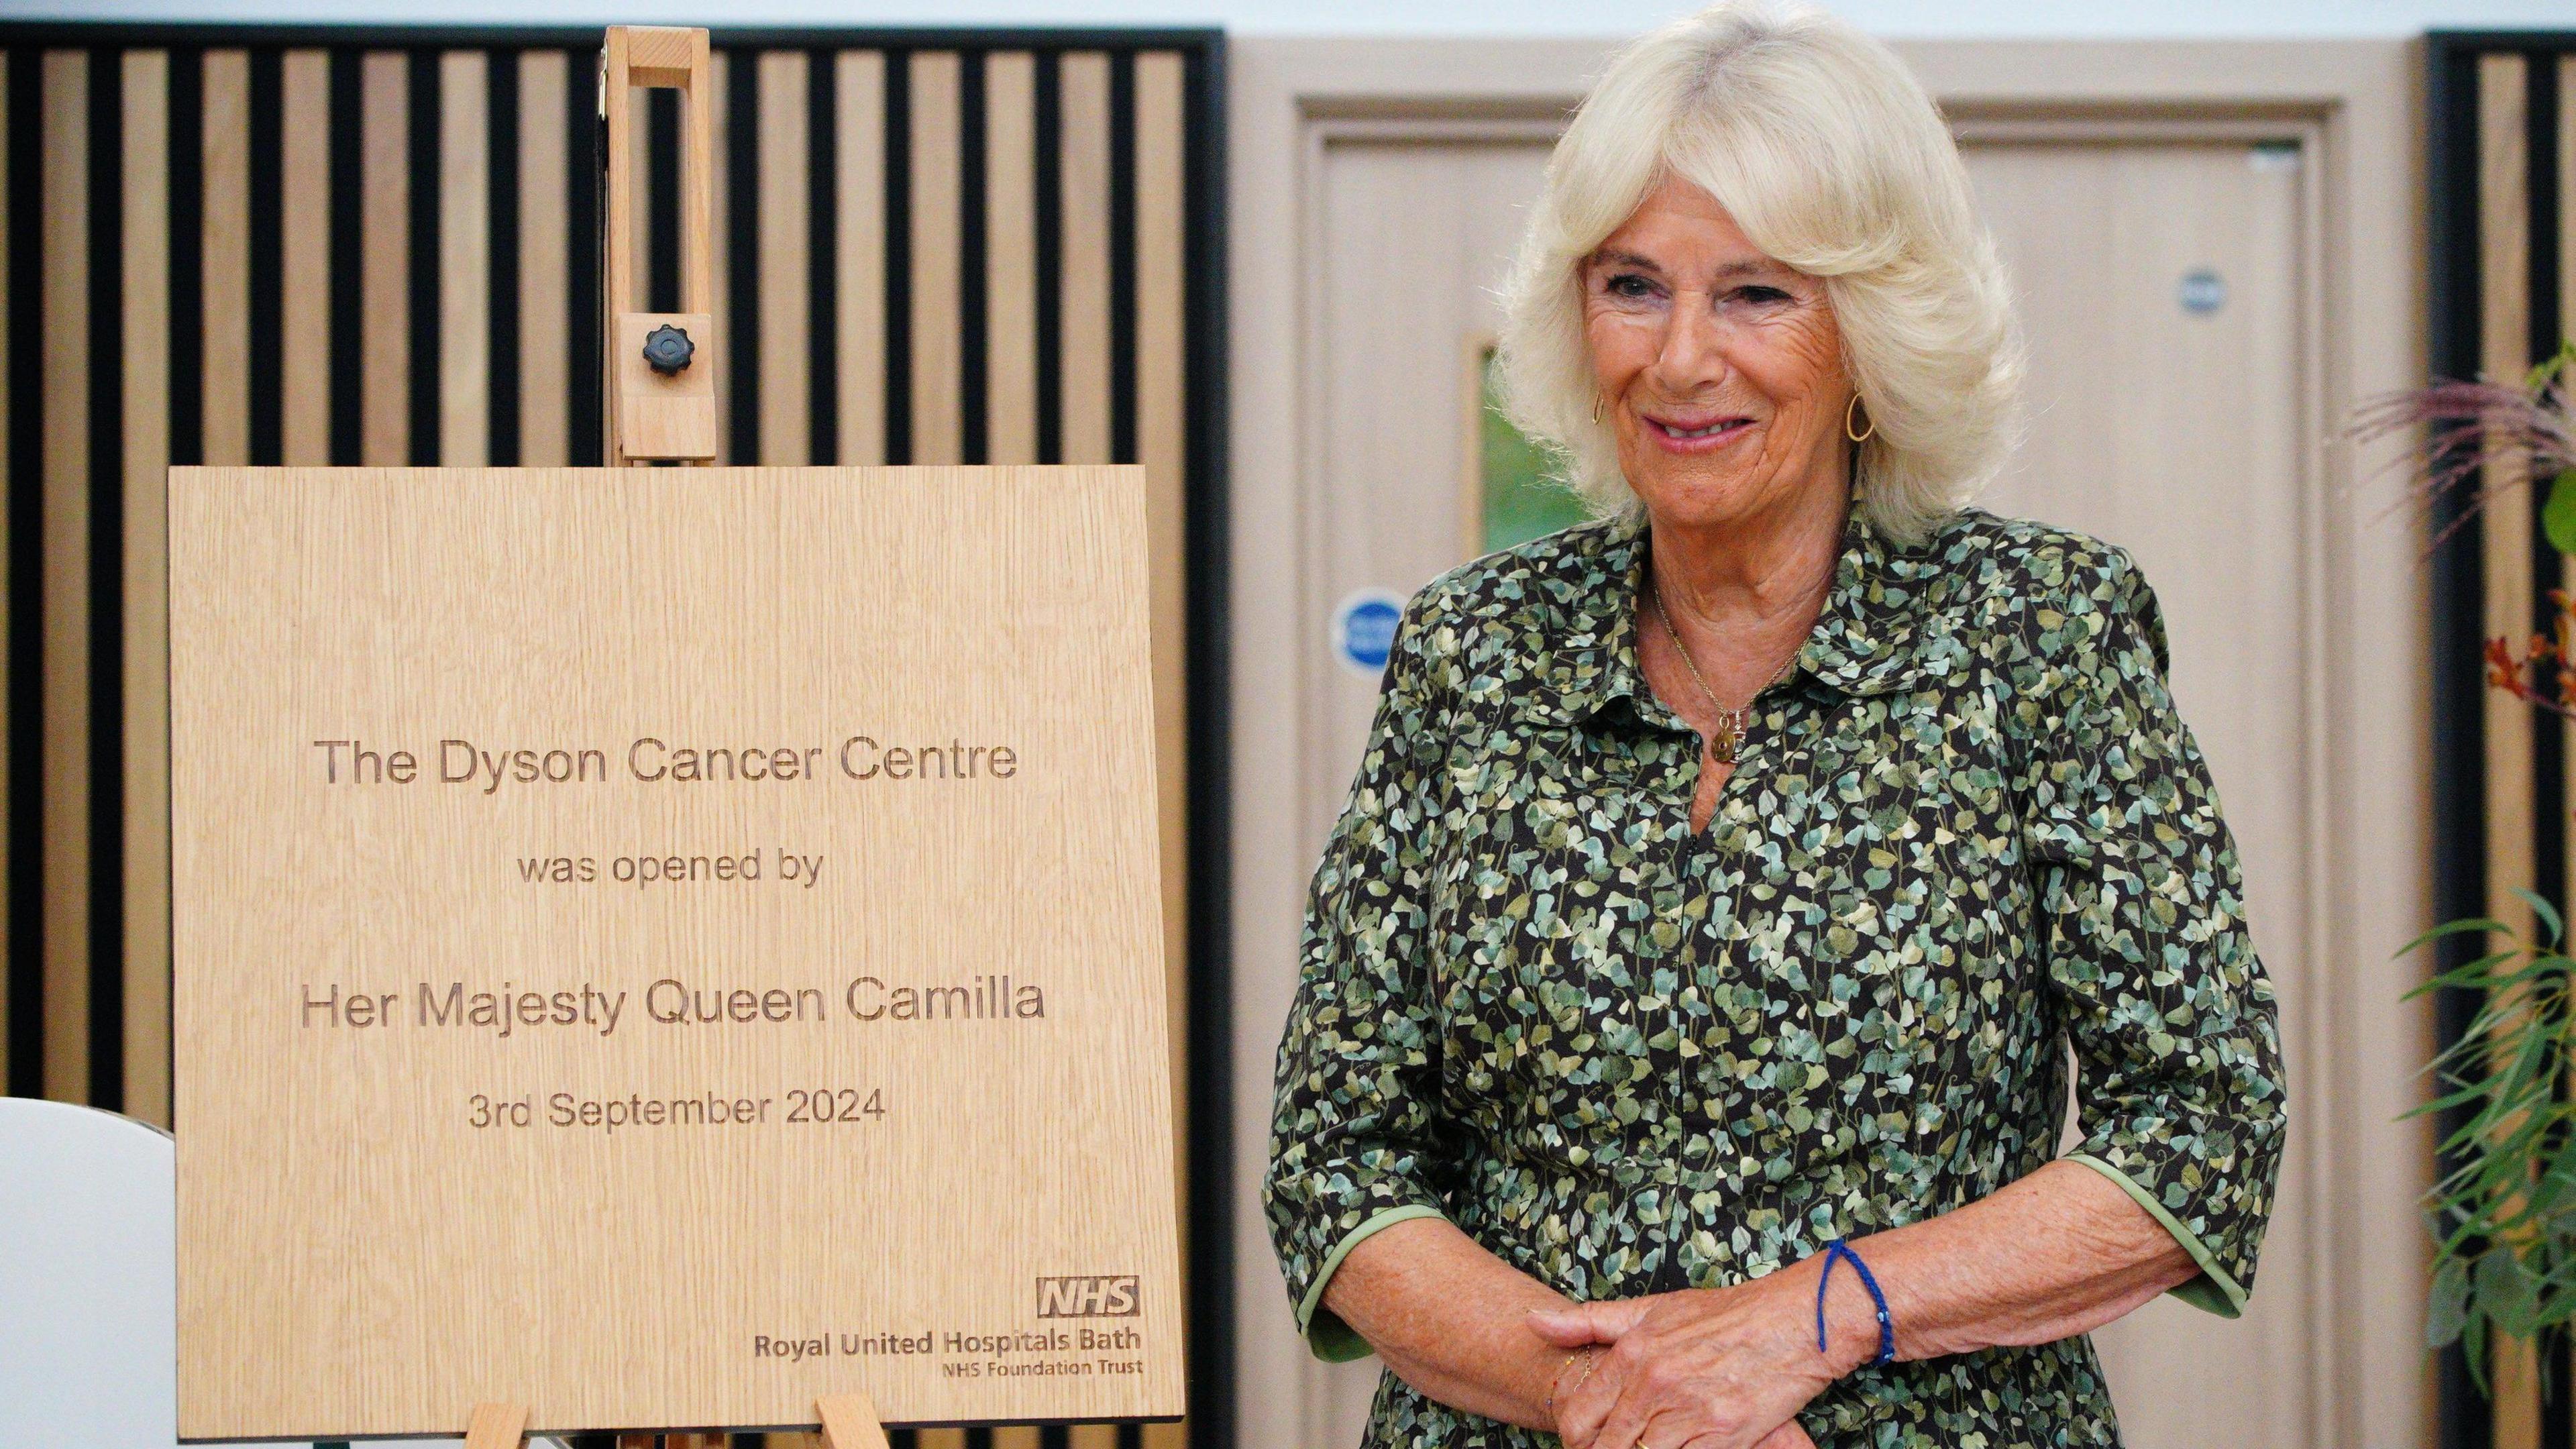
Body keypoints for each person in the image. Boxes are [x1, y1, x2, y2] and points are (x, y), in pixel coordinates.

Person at [1259, 5, 2288, 1447]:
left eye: (1756, 295)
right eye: (1633, 285)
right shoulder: (1469, 650)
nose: (1681, 359)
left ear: (1872, 328)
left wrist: (1805, 1320)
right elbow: (1336, 1166)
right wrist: (1615, 1404)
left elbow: (2198, 1134)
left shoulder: (2042, 629)